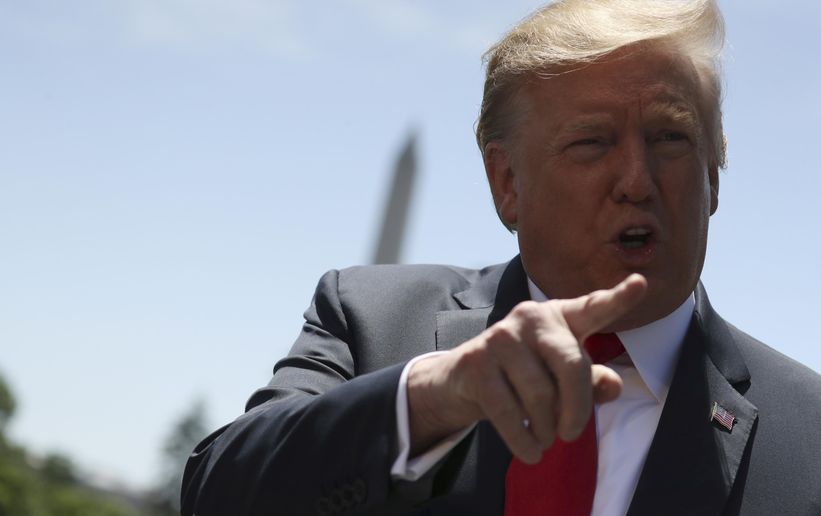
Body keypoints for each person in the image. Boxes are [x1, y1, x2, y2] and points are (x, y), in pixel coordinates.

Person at [181, 0, 821, 514]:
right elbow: (216, 492)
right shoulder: (370, 318)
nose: (636, 178)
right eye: (592, 143)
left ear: (715, 169)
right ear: (506, 182)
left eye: (670, 138)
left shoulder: (811, 434)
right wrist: (434, 397)